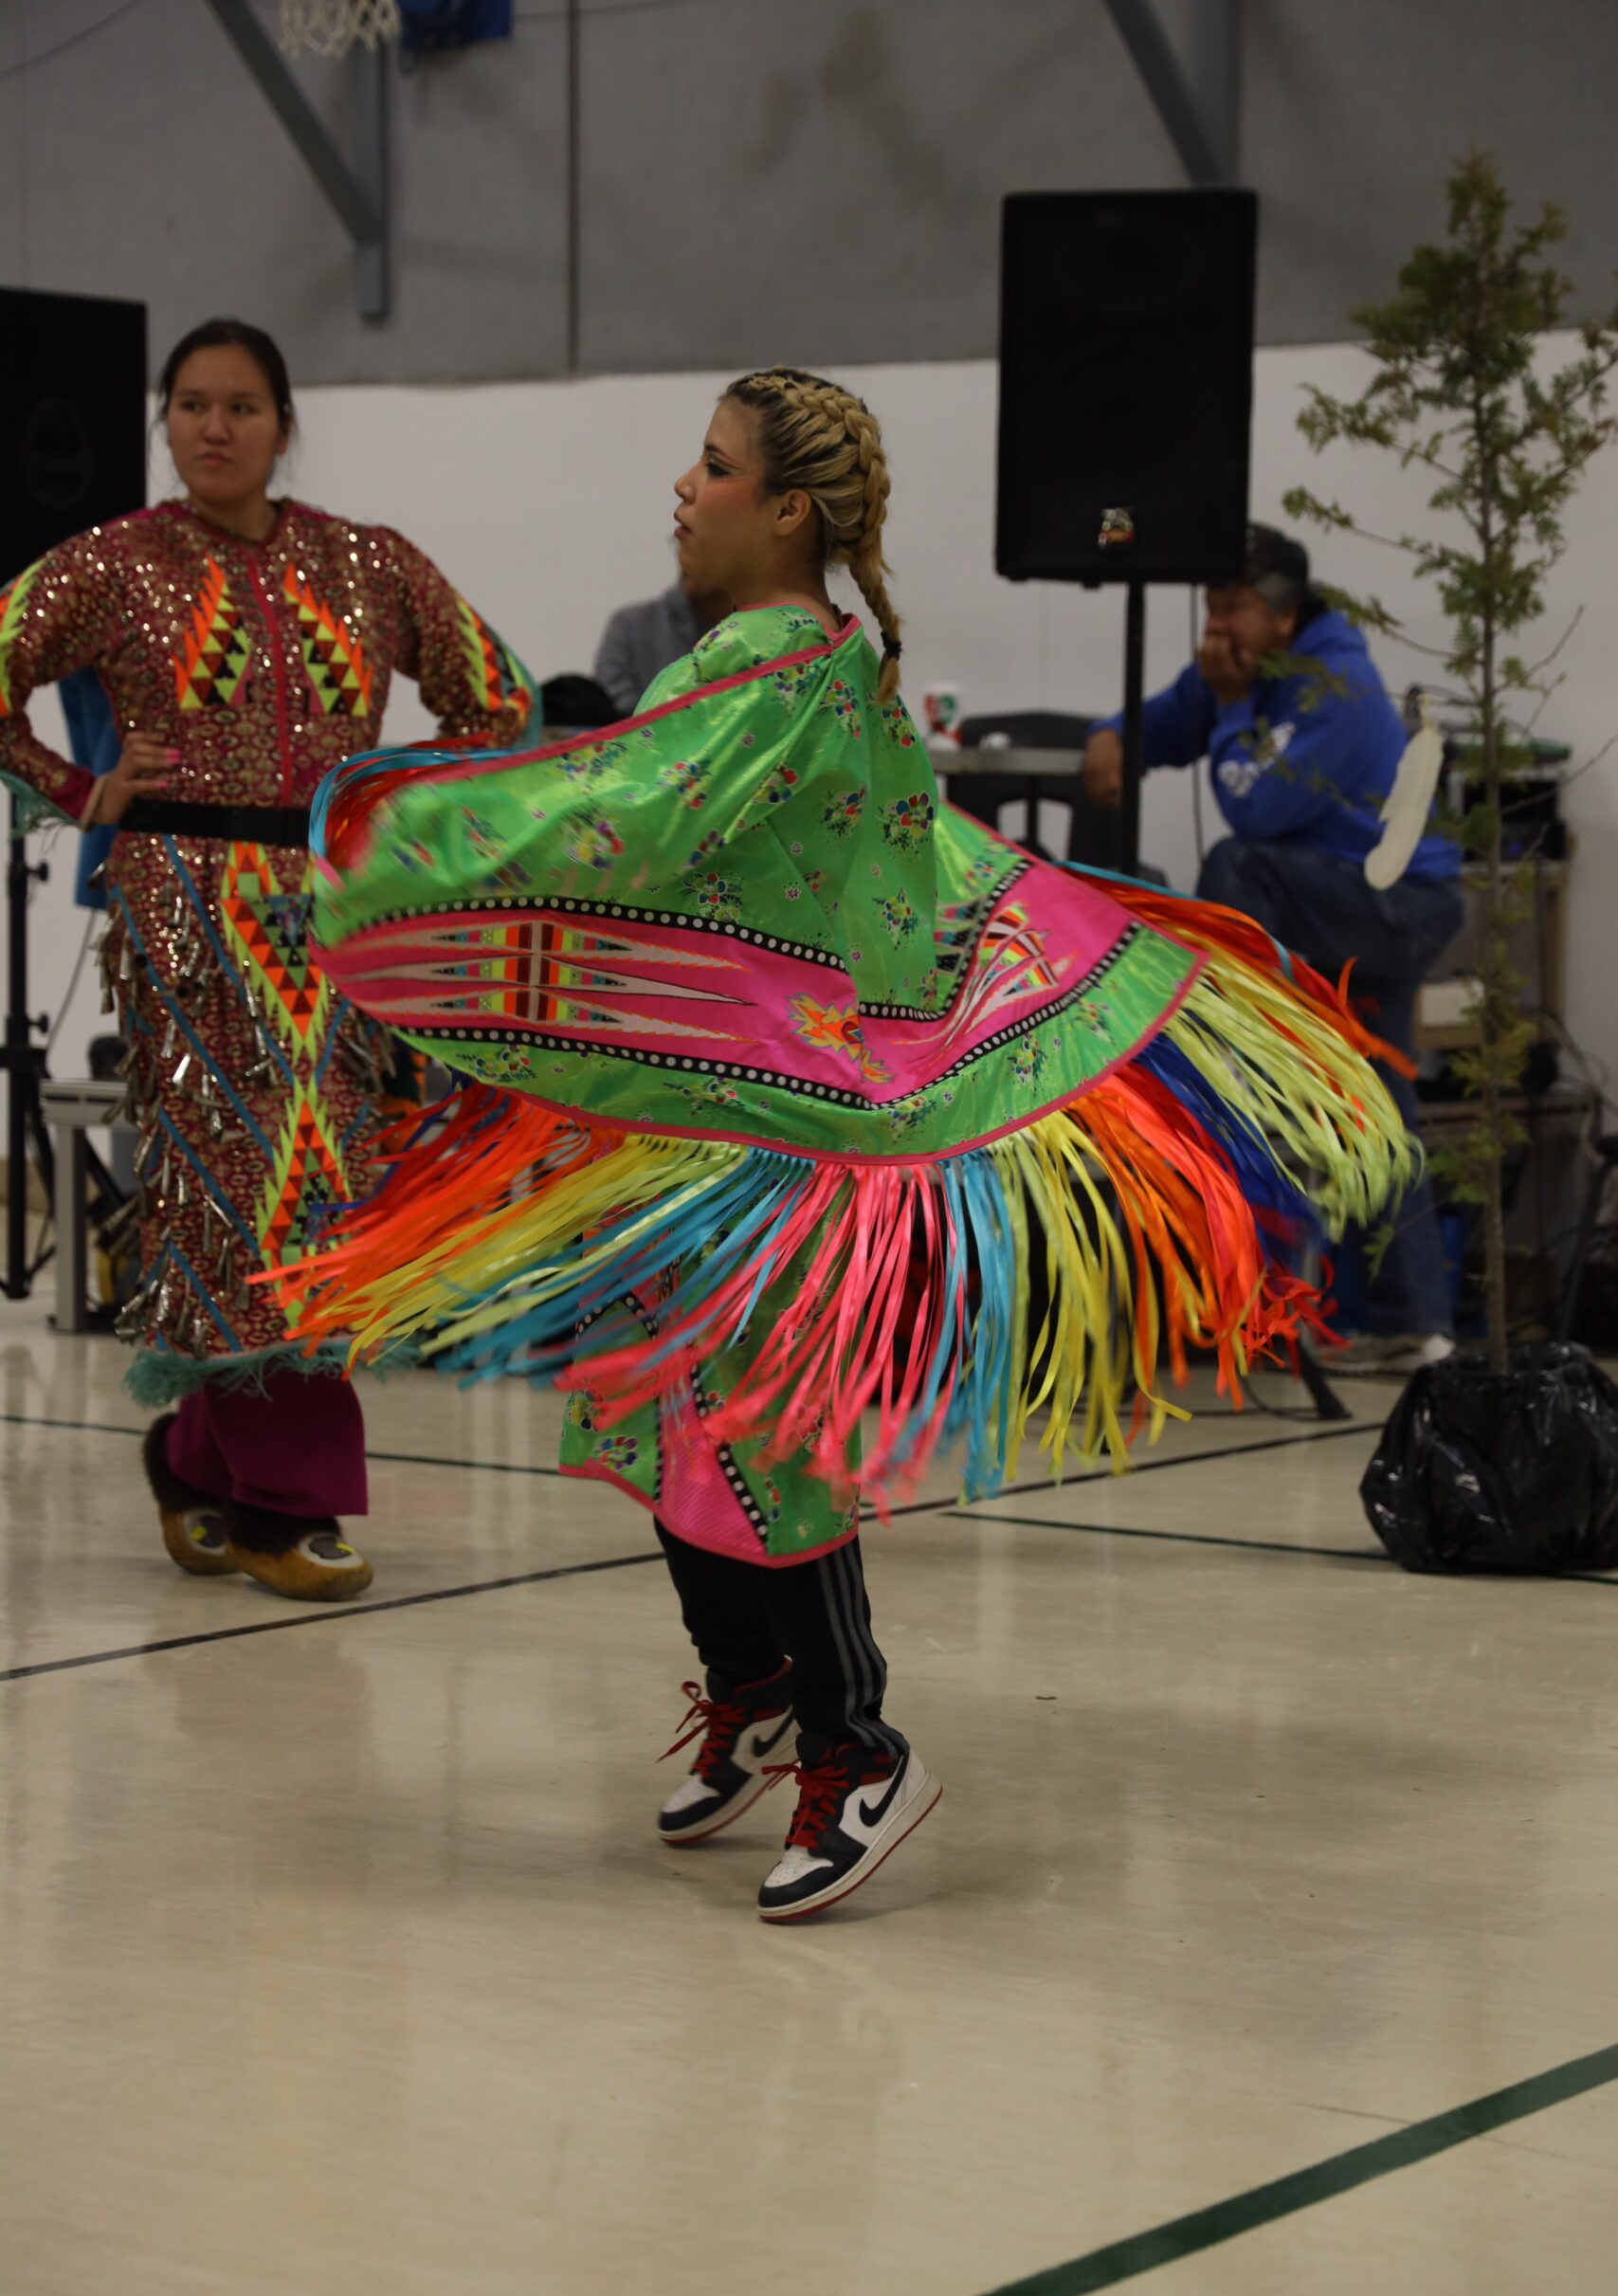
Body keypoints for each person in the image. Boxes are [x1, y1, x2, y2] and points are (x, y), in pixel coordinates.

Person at [282, 371, 1411, 1922]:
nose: (684, 488)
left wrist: (406, 835)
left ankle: (854, 1748)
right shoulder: (802, 661)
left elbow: (622, 811)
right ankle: (748, 1691)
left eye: (716, 465)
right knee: (652, 1390)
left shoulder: (777, 669)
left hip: (798, 1126)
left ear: (789, 508)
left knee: (755, 1436)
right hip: (724, 1112)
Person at [0, 317, 536, 1601]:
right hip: (181, 909)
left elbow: (497, 698)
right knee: (230, 1191)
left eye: (242, 405)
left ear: (283, 425)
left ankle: (195, 1453)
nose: (214, 427)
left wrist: (397, 807)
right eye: (190, 404)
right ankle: (282, 1503)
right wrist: (78, 788)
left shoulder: (365, 563)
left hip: (329, 916)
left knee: (321, 1186)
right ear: (165, 422)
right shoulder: (112, 566)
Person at [1082, 523, 1464, 1373]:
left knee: (1232, 865)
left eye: (1236, 609)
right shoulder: (1243, 669)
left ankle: (1233, 1038)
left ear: (1285, 620)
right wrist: (1112, 733)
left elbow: (1253, 808)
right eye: (1212, 606)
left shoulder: (1335, 684)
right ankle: (1414, 1323)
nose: (1216, 627)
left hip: (1398, 910)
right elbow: (1163, 721)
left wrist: (1223, 708)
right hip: (1342, 904)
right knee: (1377, 1101)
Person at [591, 563, 730, 717]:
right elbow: (608, 701)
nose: (690, 560)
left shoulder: (755, 634)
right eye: (682, 544)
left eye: (707, 547)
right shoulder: (630, 624)